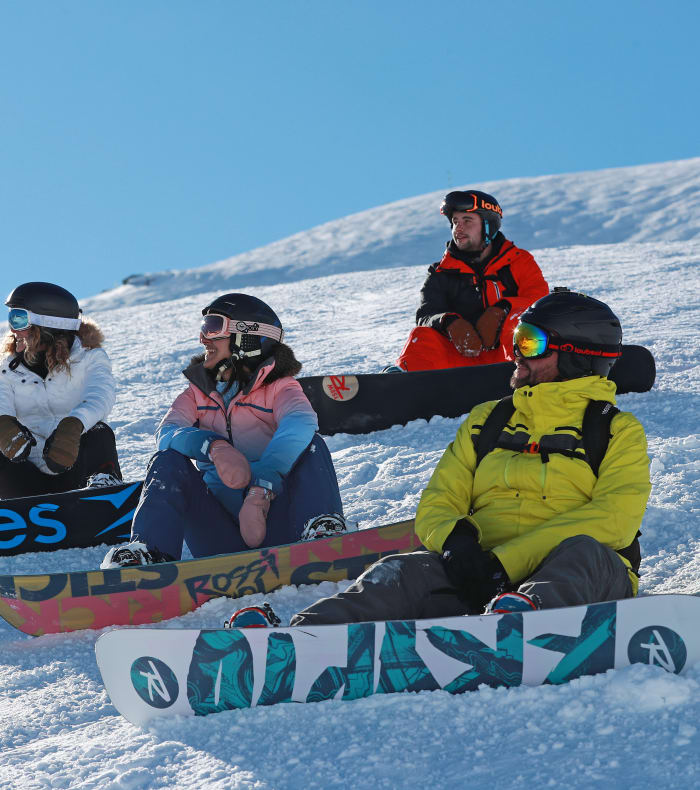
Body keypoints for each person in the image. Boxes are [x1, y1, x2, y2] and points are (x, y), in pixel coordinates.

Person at [281, 289, 651, 627]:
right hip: (482, 570)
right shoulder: (488, 419)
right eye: (516, 338)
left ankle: (518, 626)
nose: (516, 352)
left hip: (572, 574)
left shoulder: (616, 430)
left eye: (531, 342)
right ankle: (300, 637)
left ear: (576, 356)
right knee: (400, 571)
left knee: (586, 554)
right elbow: (440, 498)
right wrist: (457, 544)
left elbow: (614, 520)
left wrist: (508, 561)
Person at [102, 293, 345, 567]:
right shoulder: (197, 393)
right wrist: (212, 446)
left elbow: (300, 422)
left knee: (311, 445)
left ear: (247, 338)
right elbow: (167, 432)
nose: (203, 338)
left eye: (213, 327)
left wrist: (262, 487)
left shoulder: (280, 388)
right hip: (218, 537)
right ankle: (149, 554)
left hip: (282, 524)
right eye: (204, 326)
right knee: (167, 460)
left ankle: (322, 532)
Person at [388, 190, 548, 372]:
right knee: (422, 334)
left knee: (520, 321)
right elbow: (426, 314)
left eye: (467, 221)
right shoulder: (440, 272)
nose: (459, 228)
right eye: (455, 221)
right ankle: (405, 383)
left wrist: (503, 308)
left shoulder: (519, 261)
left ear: (488, 225)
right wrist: (449, 322)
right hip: (462, 362)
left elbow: (540, 300)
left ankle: (528, 377)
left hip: (514, 363)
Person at [0, 281, 121, 499]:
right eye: (11, 318)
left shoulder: (89, 358)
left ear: (46, 325)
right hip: (27, 478)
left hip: (76, 470)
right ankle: (11, 514)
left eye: (19, 319)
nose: (13, 329)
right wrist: (3, 424)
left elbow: (101, 395)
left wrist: (75, 424)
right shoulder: (7, 368)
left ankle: (103, 491)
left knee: (99, 432)